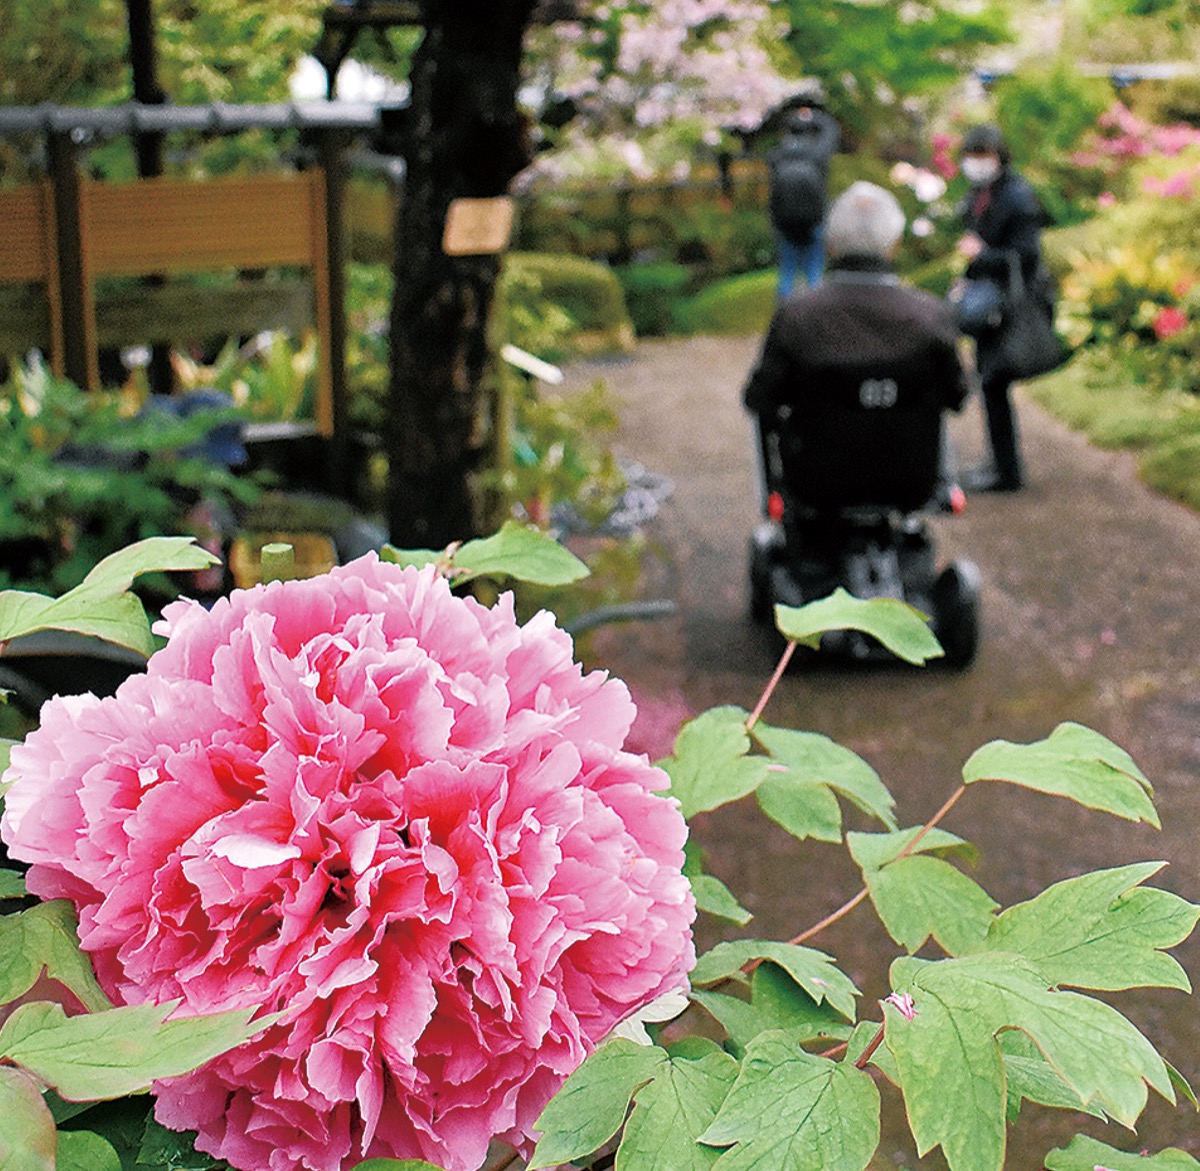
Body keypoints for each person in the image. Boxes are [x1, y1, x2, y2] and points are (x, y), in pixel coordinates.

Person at [744, 180, 969, 510]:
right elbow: (957, 395)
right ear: (894, 245)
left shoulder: (798, 317)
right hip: (910, 483)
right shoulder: (930, 318)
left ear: (831, 245)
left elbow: (760, 398)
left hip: (817, 483)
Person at [955, 122, 1047, 492]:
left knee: (994, 382)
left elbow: (1025, 254)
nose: (977, 164)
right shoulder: (985, 193)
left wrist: (982, 256)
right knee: (991, 384)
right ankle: (1002, 465)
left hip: (1008, 305)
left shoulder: (1017, 197)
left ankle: (1006, 471)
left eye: (983, 156)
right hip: (991, 300)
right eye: (972, 157)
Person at [766, 96, 840, 298]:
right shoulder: (817, 155)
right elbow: (832, 130)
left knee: (787, 274)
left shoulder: (777, 155)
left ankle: (783, 319)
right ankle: (816, 320)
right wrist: (813, 116)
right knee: (814, 274)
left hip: (785, 223)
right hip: (813, 220)